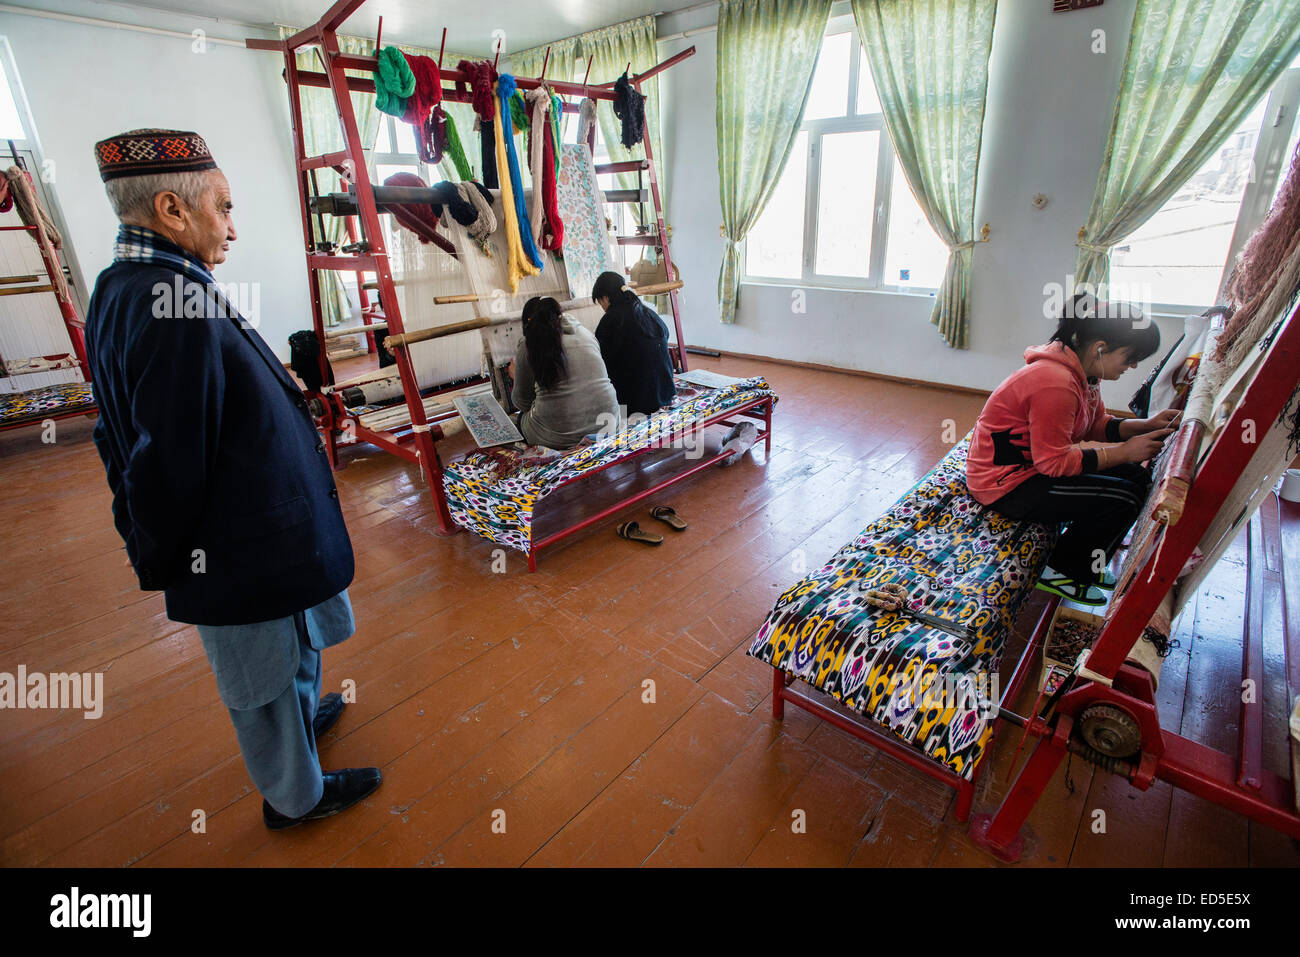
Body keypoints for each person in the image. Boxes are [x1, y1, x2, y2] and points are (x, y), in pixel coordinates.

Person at [85, 128, 381, 829]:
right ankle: (295, 796)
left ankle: (304, 722)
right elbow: (168, 458)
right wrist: (166, 555)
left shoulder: (125, 285)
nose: (233, 227)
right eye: (223, 206)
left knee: (290, 647)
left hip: (244, 535)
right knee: (261, 674)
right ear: (171, 209)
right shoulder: (171, 304)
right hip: (227, 547)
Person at [965, 292, 1178, 605]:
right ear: (1100, 348)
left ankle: (1090, 560)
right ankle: (1063, 570)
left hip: (1031, 466)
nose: (1132, 366)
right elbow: (1054, 464)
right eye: (1130, 357)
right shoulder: (1055, 382)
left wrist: (1146, 425)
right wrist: (1124, 451)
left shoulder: (1084, 374)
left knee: (1136, 477)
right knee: (1123, 499)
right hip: (1005, 483)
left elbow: (1095, 425)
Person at [511, 296, 619, 449]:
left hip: (558, 437)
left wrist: (516, 375)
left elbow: (522, 402)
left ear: (528, 322)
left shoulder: (528, 344)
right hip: (610, 425)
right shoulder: (585, 333)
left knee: (518, 420)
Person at [591, 271, 676, 416]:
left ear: (605, 298)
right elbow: (664, 336)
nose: (602, 307)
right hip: (666, 393)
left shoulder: (610, 320)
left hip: (636, 404)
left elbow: (601, 363)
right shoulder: (648, 312)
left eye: (600, 302)